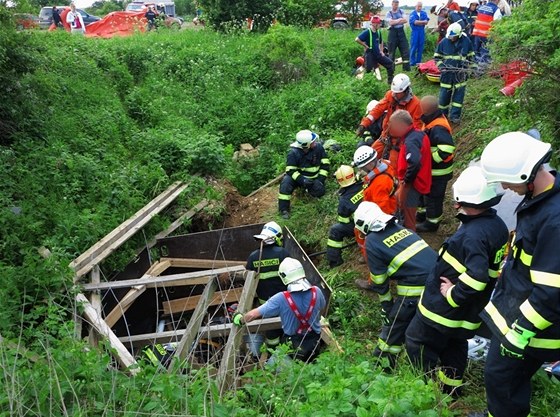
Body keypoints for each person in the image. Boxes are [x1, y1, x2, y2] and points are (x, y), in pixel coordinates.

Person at [473, 132, 560, 417]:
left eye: (506, 180)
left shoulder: (554, 220)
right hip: (519, 306)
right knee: (504, 381)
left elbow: (550, 294)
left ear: (526, 175)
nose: (503, 187)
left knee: (502, 379)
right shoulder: (541, 197)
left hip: (536, 328)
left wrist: (520, 334)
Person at [406, 166, 508, 395]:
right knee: (455, 347)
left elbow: (478, 276)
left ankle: (422, 392)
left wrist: (452, 294)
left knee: (416, 343)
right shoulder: (497, 226)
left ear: (463, 202)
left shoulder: (471, 235)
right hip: (467, 313)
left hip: (441, 311)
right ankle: (450, 392)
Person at [353, 201, 437, 366]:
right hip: (438, 278)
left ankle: (381, 365)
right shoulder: (401, 229)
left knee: (394, 325)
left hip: (416, 286)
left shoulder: (372, 241)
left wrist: (386, 306)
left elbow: (379, 280)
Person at [233, 257, 326, 363]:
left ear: (283, 276)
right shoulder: (316, 292)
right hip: (314, 345)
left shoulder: (281, 298)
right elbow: (321, 307)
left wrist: (240, 319)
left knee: (270, 366)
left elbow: (253, 315)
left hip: (292, 348)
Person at [356, 74, 422, 169]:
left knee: (393, 167)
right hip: (386, 135)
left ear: (406, 90)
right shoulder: (390, 95)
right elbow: (378, 109)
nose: (394, 94)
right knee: (370, 157)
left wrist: (405, 144)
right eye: (393, 92)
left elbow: (417, 128)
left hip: (399, 141)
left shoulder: (416, 105)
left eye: (397, 92)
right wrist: (364, 124)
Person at [245, 221, 290, 348]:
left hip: (265, 305)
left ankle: (273, 354)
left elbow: (249, 283)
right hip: (285, 302)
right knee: (288, 327)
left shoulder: (253, 257)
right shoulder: (283, 253)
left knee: (271, 332)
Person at [388, 110, 432, 231]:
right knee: (408, 212)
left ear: (400, 125)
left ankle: (411, 241)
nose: (391, 128)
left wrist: (405, 182)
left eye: (392, 125)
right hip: (417, 182)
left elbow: (415, 163)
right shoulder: (418, 134)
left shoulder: (410, 141)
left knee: (408, 218)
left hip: (412, 185)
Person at [416, 95, 455, 232]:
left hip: (438, 172)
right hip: (430, 171)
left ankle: (432, 223)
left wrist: (429, 160)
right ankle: (421, 214)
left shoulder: (438, 127)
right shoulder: (431, 121)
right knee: (423, 193)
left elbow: (447, 149)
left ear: (426, 110)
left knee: (434, 198)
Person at [278, 130, 330, 219]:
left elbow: (325, 165)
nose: (315, 142)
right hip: (299, 179)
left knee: (320, 191)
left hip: (315, 179)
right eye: (313, 142)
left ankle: (308, 192)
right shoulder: (293, 153)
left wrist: (320, 180)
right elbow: (290, 170)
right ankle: (284, 210)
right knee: (286, 183)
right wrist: (302, 180)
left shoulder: (319, 148)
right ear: (306, 145)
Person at [434, 23, 475, 124]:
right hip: (447, 74)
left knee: (458, 96)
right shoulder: (444, 42)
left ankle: (455, 116)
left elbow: (471, 57)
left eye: (453, 37)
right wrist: (442, 67)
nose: (451, 38)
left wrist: (473, 69)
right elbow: (437, 57)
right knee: (444, 97)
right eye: (450, 36)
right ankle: (442, 116)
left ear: (459, 35)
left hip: (461, 74)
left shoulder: (466, 42)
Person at [326, 165, 365, 268]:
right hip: (379, 217)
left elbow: (344, 221)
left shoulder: (344, 200)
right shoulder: (365, 184)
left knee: (336, 230)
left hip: (362, 227)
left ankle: (335, 262)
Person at [353, 146, 398, 216]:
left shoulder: (379, 183)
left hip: (384, 216)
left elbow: (381, 210)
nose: (361, 171)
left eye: (362, 168)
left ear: (369, 164)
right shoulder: (385, 164)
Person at [355, 16, 395, 83]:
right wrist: (365, 45)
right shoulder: (367, 32)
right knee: (369, 71)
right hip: (370, 54)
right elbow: (357, 39)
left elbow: (381, 41)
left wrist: (381, 51)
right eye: (378, 24)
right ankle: (368, 85)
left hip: (378, 54)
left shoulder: (378, 32)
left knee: (390, 64)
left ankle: (390, 81)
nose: (380, 25)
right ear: (374, 24)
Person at [472, 0, 502, 64]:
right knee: (485, 55)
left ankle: (475, 68)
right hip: (486, 35)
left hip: (477, 33)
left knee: (476, 53)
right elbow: (497, 24)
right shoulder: (496, 10)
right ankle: (483, 70)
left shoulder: (481, 7)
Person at [385, 0, 411, 71]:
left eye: (397, 4)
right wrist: (399, 19)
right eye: (395, 4)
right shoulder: (389, 13)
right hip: (392, 33)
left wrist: (395, 21)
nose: (396, 5)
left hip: (401, 32)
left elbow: (405, 20)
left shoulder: (401, 11)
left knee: (405, 50)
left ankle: (406, 68)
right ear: (392, 4)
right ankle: (391, 69)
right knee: (391, 52)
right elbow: (390, 22)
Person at [409, 2, 429, 67]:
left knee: (421, 47)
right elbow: (415, 22)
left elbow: (426, 22)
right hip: (415, 32)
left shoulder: (424, 13)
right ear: (415, 6)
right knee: (414, 46)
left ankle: (418, 62)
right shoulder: (412, 14)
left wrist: (419, 22)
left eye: (421, 6)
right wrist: (422, 22)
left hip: (421, 32)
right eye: (418, 6)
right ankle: (412, 62)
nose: (420, 8)